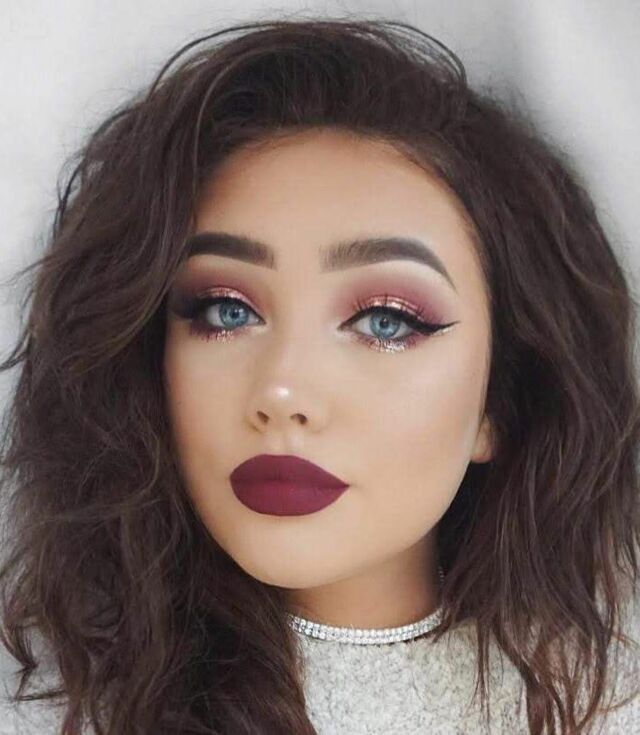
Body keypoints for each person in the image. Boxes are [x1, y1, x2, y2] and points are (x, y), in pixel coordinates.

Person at [0, 16, 638, 735]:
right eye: (226, 310)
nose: (281, 393)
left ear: (502, 397)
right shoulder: (54, 708)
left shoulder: (604, 703)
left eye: (386, 321)